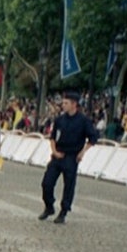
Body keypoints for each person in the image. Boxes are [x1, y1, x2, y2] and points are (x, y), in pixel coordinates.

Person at [39, 91, 99, 224]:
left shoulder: (83, 121)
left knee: (69, 186)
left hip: (72, 156)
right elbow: (53, 137)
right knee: (46, 183)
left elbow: (93, 138)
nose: (63, 105)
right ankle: (49, 206)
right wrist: (54, 151)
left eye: (66, 103)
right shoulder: (60, 120)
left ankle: (64, 211)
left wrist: (83, 152)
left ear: (74, 104)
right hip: (58, 155)